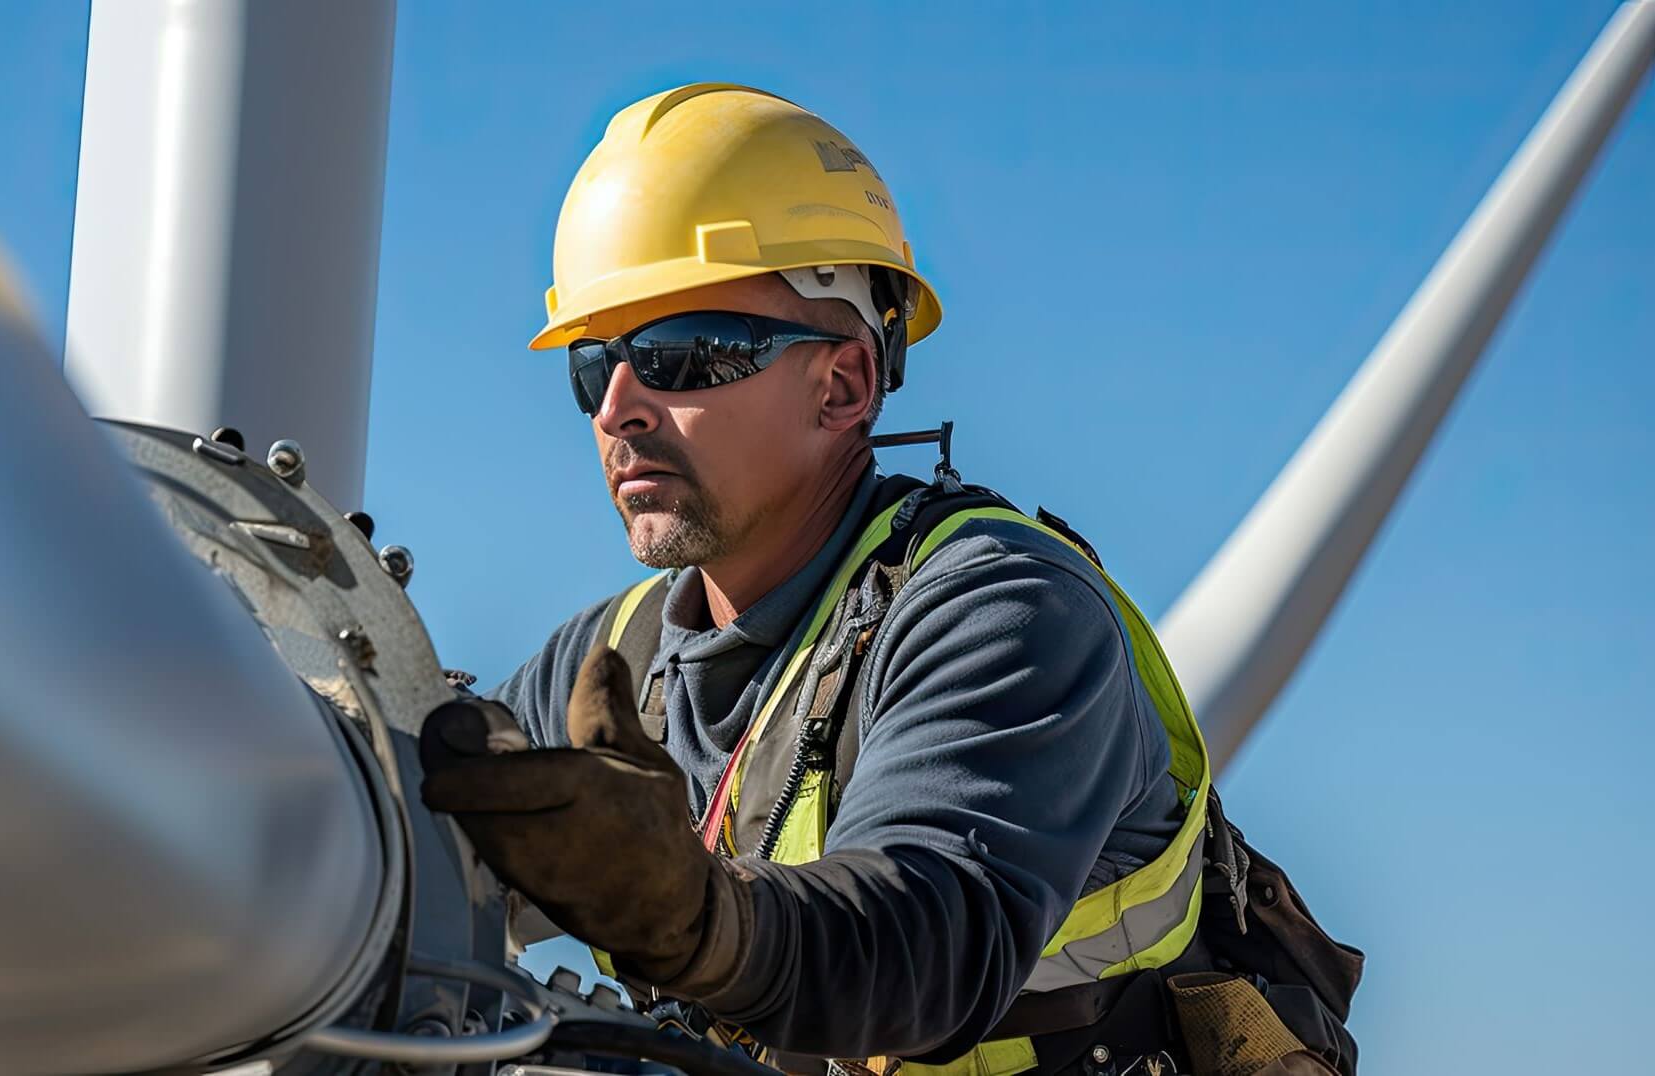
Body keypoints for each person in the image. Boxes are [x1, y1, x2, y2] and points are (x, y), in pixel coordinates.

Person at [419, 84, 1358, 1076]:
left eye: (676, 352)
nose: (617, 406)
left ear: (843, 384)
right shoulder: (613, 660)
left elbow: (924, 939)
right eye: (592, 362)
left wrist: (700, 921)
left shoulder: (1001, 610)